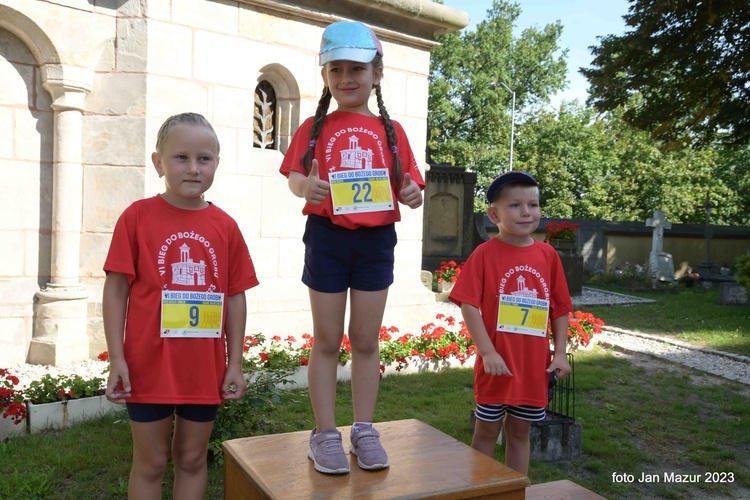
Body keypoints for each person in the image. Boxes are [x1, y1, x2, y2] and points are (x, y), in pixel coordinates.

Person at [279, 21, 424, 474]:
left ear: (376, 73)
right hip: (327, 240)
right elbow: (295, 177)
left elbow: (412, 184)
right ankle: (324, 434)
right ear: (325, 76)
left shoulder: (393, 131)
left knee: (364, 339)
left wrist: (412, 193)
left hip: (376, 242)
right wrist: (307, 188)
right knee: (326, 339)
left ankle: (364, 429)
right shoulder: (313, 127)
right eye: (336, 68)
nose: (346, 78)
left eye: (356, 69)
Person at [102, 112, 259, 499]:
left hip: (202, 367)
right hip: (148, 365)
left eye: (204, 159)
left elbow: (234, 295)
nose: (193, 168)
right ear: (159, 163)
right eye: (181, 158)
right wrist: (117, 358)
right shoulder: (136, 218)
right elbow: (116, 289)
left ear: (216, 165)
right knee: (151, 461)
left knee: (191, 458)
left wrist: (234, 361)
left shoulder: (225, 226)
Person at [448, 170, 572, 476]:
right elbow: (468, 304)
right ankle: (480, 492)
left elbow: (560, 309)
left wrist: (559, 353)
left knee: (519, 434)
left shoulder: (548, 255)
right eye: (515, 205)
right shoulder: (484, 254)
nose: (526, 212)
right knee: (486, 432)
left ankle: (515, 491)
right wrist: (488, 352)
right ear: (494, 214)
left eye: (533, 204)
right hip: (496, 368)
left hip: (533, 369)